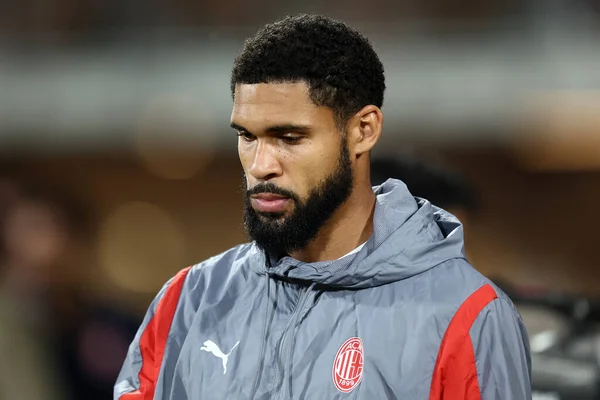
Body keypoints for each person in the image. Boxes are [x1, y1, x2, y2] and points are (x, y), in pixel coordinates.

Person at [115, 14, 532, 400]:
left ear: (363, 131)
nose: (261, 165)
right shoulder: (186, 301)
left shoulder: (468, 314)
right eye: (247, 136)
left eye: (289, 137)